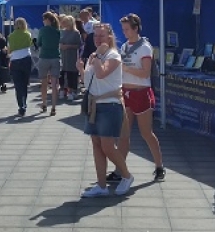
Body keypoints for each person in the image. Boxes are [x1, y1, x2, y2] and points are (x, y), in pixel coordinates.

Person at [77, 23, 134, 197]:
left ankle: (126, 175)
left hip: (110, 104)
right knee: (96, 143)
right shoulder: (94, 56)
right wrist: (81, 70)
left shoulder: (113, 56)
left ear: (109, 37)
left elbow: (102, 74)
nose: (98, 39)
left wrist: (97, 58)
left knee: (107, 146)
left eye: (101, 36)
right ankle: (101, 185)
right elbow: (88, 82)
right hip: (94, 103)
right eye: (95, 36)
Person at [110, 13, 165, 182]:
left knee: (146, 133)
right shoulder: (125, 46)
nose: (124, 32)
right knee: (123, 134)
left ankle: (159, 166)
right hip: (126, 93)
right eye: (123, 29)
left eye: (127, 29)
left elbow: (145, 73)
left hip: (141, 93)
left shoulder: (144, 47)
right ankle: (119, 170)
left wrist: (126, 69)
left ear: (136, 28)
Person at [36, 11, 61, 116]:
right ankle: (54, 107)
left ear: (47, 20)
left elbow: (39, 43)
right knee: (54, 84)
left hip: (44, 57)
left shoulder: (43, 30)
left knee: (44, 83)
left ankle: (44, 103)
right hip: (55, 57)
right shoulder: (57, 31)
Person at [7, 17, 33, 117]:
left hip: (15, 60)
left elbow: (9, 50)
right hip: (26, 59)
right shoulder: (27, 34)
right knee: (25, 84)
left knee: (18, 85)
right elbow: (30, 44)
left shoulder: (11, 36)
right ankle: (24, 104)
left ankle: (20, 106)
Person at [58, 14, 82, 102]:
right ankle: (62, 89)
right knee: (62, 73)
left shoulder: (76, 33)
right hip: (63, 56)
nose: (63, 23)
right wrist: (60, 46)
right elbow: (59, 42)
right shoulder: (62, 32)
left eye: (65, 22)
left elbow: (79, 45)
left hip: (72, 56)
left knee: (72, 74)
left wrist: (69, 46)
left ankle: (72, 91)